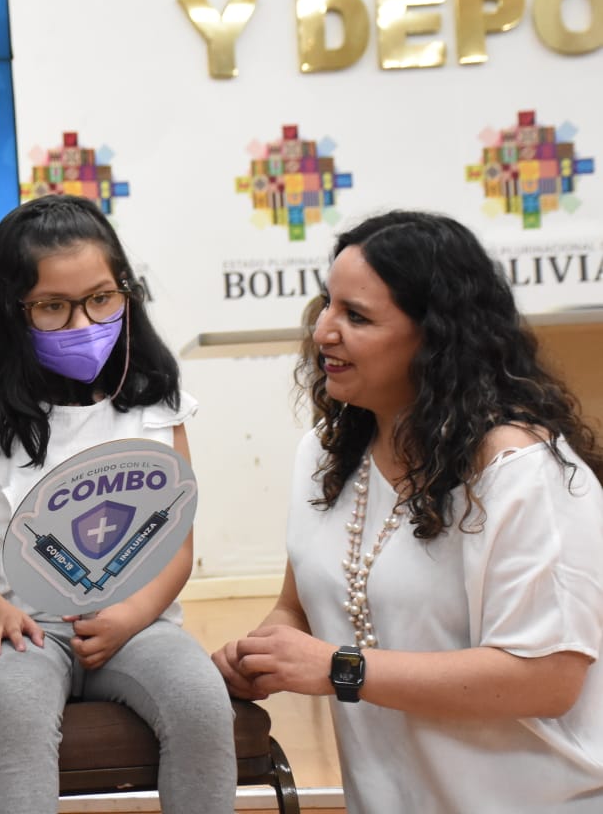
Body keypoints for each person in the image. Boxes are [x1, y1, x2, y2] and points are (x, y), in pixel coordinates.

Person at [212, 210, 603, 812]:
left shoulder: (522, 472)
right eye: (328, 304)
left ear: (437, 339)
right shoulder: (324, 454)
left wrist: (340, 668)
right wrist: (260, 655)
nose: (323, 332)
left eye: (357, 316)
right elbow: (301, 607)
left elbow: (547, 679)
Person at [0, 194, 237, 814]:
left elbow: (176, 543)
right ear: (11, 309)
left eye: (102, 299)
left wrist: (131, 616)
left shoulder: (154, 398)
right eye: (53, 307)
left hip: (132, 624)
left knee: (200, 700)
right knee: (19, 708)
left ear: (125, 290)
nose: (83, 324)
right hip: (8, 627)